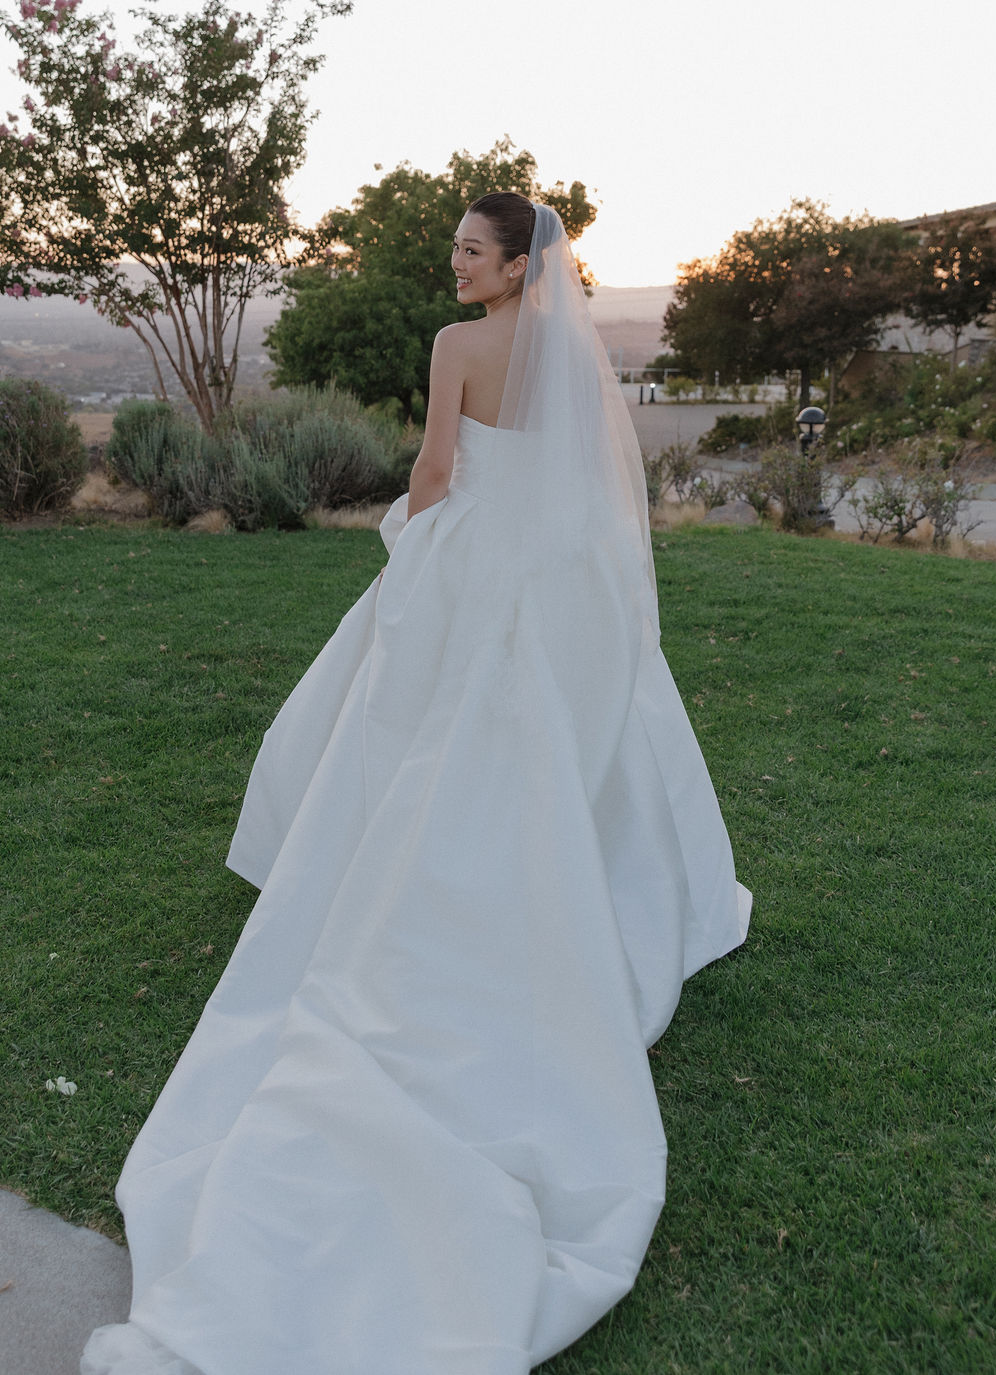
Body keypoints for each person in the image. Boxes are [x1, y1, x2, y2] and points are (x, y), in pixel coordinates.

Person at [81, 194, 751, 1375]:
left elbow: (437, 467)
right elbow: (592, 488)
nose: (453, 265)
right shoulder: (570, 358)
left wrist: (412, 540)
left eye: (469, 251)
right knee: (560, 736)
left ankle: (390, 871)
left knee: (406, 717)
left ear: (510, 268)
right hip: (556, 571)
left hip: (476, 554)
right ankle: (571, 881)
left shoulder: (458, 347)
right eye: (452, 247)